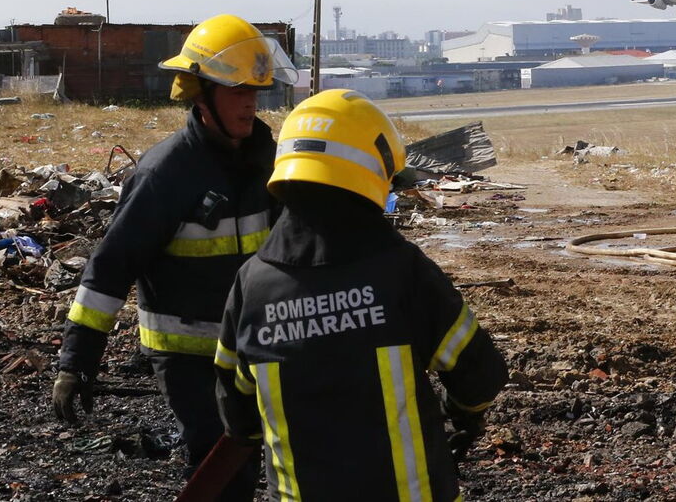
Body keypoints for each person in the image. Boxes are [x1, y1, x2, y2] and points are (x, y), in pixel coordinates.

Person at [214, 89, 509, 502]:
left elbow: (238, 410)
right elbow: (480, 374)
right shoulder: (402, 270)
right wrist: (465, 416)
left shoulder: (252, 285)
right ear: (371, 173)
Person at [52, 14, 298, 500]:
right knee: (218, 464)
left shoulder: (268, 162)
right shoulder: (165, 175)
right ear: (199, 95)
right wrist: (76, 362)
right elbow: (110, 268)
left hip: (256, 345)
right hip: (190, 357)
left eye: (256, 91)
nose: (251, 103)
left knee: (267, 462)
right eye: (237, 92)